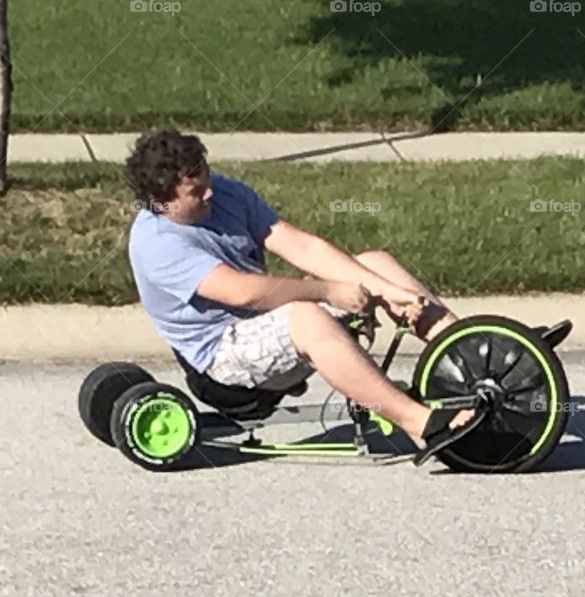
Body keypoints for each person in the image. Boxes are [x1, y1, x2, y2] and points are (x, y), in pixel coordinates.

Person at [125, 129, 490, 459]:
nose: (210, 192)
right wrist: (328, 292)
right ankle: (421, 424)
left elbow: (300, 247)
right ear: (162, 202)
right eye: (195, 191)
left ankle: (481, 359)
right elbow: (242, 293)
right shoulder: (156, 242)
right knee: (306, 316)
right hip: (221, 365)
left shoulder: (225, 194)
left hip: (270, 324)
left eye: (206, 177)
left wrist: (388, 291)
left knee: (375, 263)